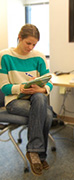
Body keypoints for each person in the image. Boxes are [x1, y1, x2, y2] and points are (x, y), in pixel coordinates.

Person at [0, 24, 53, 176]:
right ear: (19, 37)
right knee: (47, 115)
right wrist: (20, 88)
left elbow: (49, 82)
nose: (30, 47)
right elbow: (3, 87)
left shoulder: (39, 57)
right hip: (14, 101)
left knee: (39, 97)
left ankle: (33, 152)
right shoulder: (5, 56)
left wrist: (42, 89)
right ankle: (40, 155)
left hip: (35, 99)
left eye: (34, 44)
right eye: (28, 43)